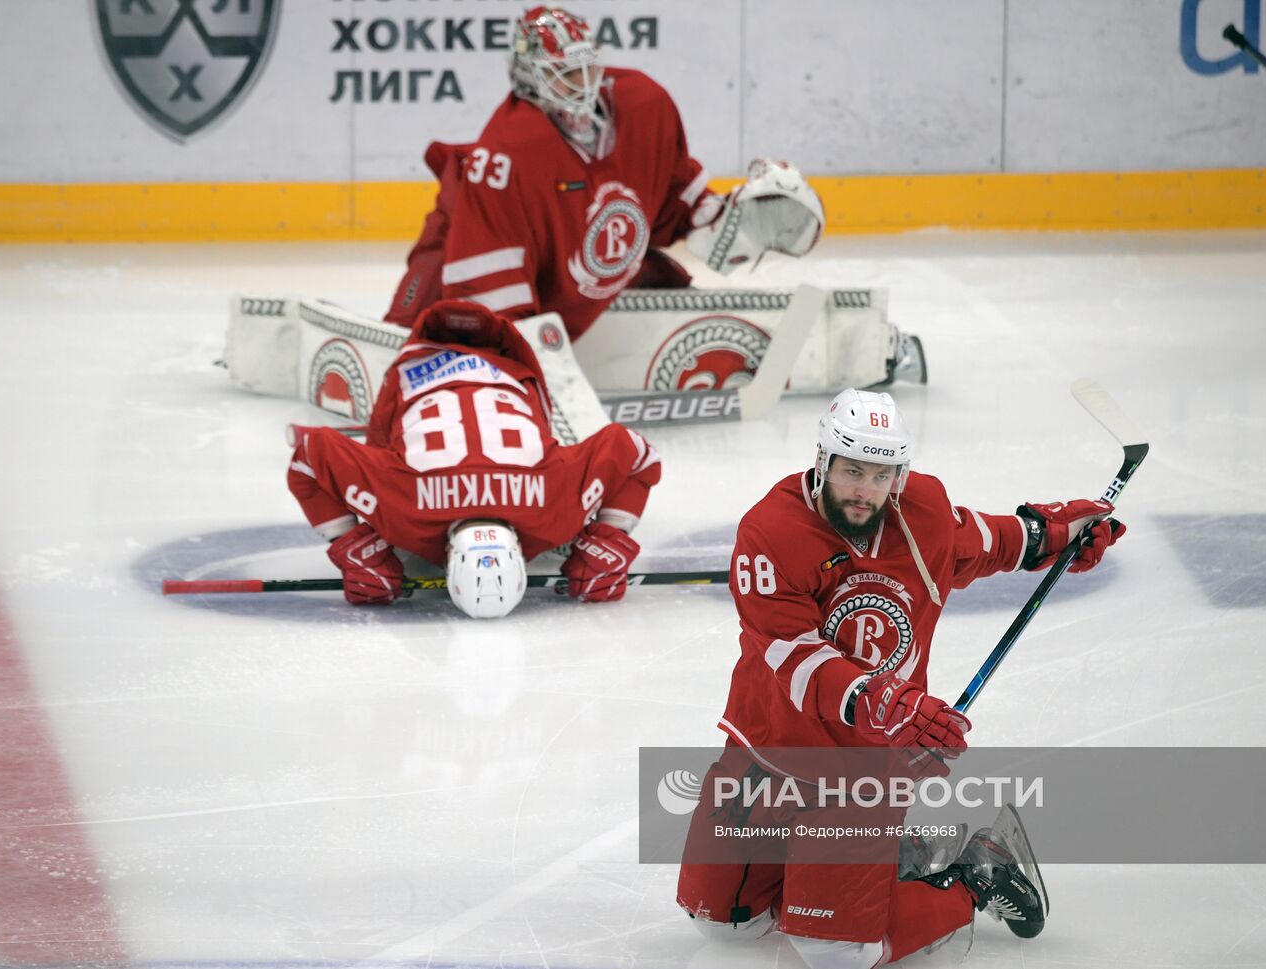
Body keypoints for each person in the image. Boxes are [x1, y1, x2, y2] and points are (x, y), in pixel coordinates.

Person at [675, 389, 1126, 967]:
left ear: (899, 475)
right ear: (823, 462)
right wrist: (889, 702)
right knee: (728, 926)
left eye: (881, 474)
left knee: (833, 952)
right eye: (852, 470)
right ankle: (884, 862)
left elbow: (984, 541)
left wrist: (1056, 536)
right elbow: (791, 653)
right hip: (769, 749)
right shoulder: (771, 531)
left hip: (864, 766)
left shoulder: (922, 513)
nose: (865, 489)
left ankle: (978, 873)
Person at [382, 5, 826, 343]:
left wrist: (720, 217)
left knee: (664, 279)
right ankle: (400, 338)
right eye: (564, 74)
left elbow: (668, 196)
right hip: (465, 246)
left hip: (571, 268)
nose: (582, 83)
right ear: (528, 80)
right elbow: (484, 278)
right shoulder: (507, 154)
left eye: (585, 67)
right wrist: (518, 349)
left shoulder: (644, 104)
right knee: (422, 325)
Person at [287, 299, 662, 618]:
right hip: (494, 364)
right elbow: (639, 455)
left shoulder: (555, 508)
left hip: (481, 367)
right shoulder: (402, 508)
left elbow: (307, 455)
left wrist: (356, 546)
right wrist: (608, 536)